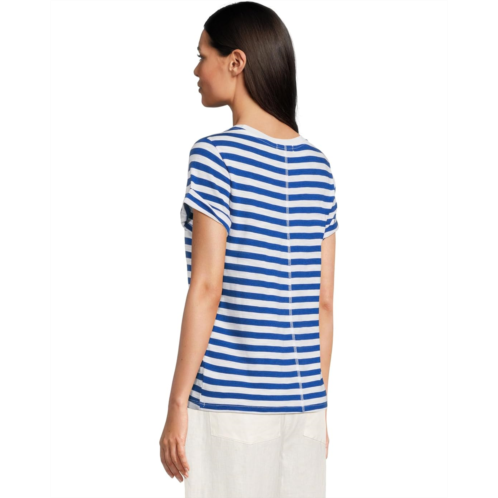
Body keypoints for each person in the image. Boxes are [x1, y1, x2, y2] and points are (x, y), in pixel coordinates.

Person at [159, 2, 338, 497]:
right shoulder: (319, 167)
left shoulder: (215, 156)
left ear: (235, 61)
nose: (197, 70)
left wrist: (176, 405)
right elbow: (323, 304)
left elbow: (207, 287)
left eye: (202, 56)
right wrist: (316, 406)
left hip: (228, 407)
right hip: (304, 405)